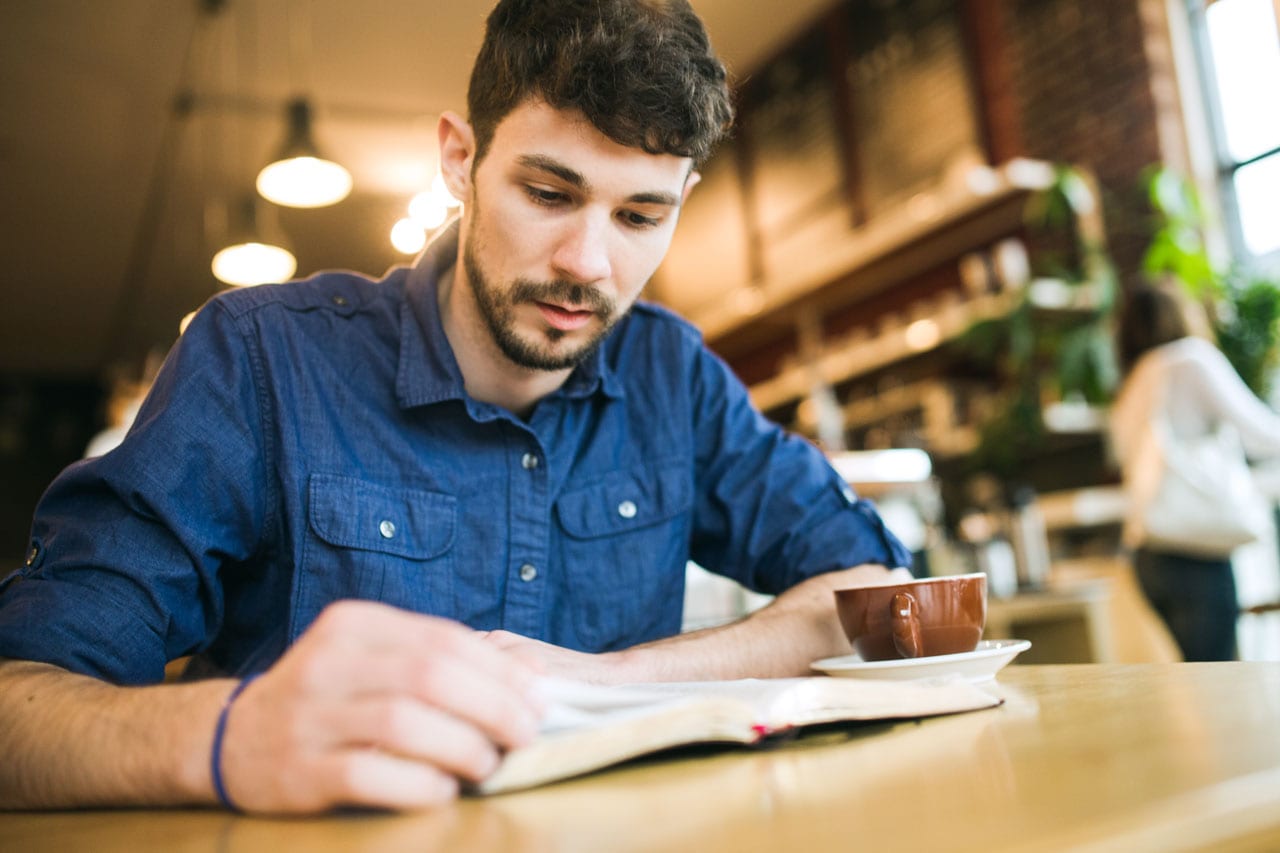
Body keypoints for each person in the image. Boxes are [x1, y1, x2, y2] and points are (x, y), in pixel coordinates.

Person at [0, 0, 910, 815]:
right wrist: (230, 735)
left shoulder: (672, 374)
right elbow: (19, 703)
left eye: (640, 216)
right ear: (459, 159)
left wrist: (613, 680)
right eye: (549, 194)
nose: (588, 263)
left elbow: (879, 591)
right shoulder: (263, 359)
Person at [1111, 280, 1280, 661]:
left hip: (1150, 559)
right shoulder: (1189, 359)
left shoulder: (1131, 383)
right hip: (1194, 553)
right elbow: (1262, 435)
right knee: (1223, 682)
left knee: (1206, 676)